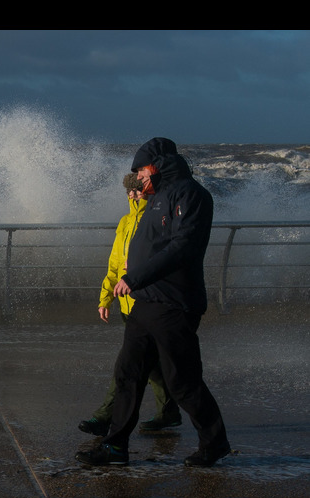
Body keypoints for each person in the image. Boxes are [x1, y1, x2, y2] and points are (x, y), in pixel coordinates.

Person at [75, 137, 231, 468]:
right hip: (144, 303)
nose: (139, 178)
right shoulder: (156, 197)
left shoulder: (191, 195)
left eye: (142, 171)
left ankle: (214, 442)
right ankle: (114, 447)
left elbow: (182, 246)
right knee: (128, 372)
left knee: (182, 382)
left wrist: (134, 278)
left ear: (156, 166)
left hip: (174, 303)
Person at [77, 173, 181, 437]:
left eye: (138, 190)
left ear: (148, 190)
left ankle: (104, 418)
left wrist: (137, 268)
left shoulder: (158, 219)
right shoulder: (125, 222)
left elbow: (169, 256)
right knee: (152, 364)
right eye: (129, 191)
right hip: (126, 303)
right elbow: (115, 263)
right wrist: (105, 297)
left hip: (147, 301)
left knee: (127, 365)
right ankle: (169, 412)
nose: (133, 195)